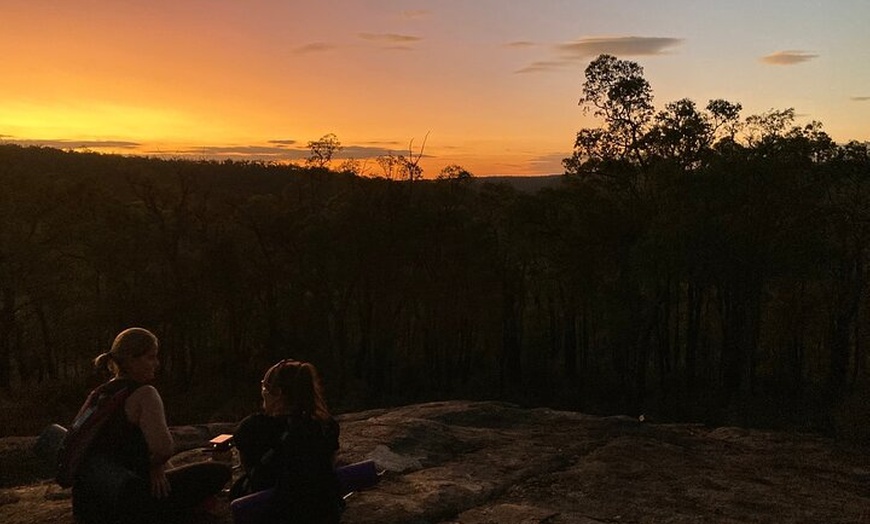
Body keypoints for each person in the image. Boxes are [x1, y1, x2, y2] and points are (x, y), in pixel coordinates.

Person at [71, 327, 231, 524]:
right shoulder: (145, 394)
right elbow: (164, 449)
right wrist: (154, 466)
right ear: (131, 359)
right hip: (129, 499)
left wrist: (158, 466)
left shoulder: (99, 394)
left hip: (90, 503)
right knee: (218, 472)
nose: (157, 363)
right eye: (151, 357)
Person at [232, 359, 342, 523]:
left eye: (265, 387)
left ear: (278, 392)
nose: (262, 391)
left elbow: (248, 469)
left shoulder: (252, 427)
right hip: (323, 513)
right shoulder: (326, 426)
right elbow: (329, 465)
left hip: (273, 514)